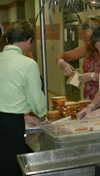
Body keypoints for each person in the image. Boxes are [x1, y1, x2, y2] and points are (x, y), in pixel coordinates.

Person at [0, 19, 48, 176]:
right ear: (29, 42)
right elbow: (37, 103)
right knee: (12, 166)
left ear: (7, 40)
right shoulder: (27, 64)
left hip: (9, 117)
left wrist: (23, 115)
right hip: (10, 125)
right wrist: (43, 120)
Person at [56, 17, 100, 100]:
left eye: (90, 39)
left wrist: (93, 76)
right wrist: (61, 62)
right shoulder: (86, 49)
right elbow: (62, 56)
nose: (88, 42)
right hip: (88, 97)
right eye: (85, 39)